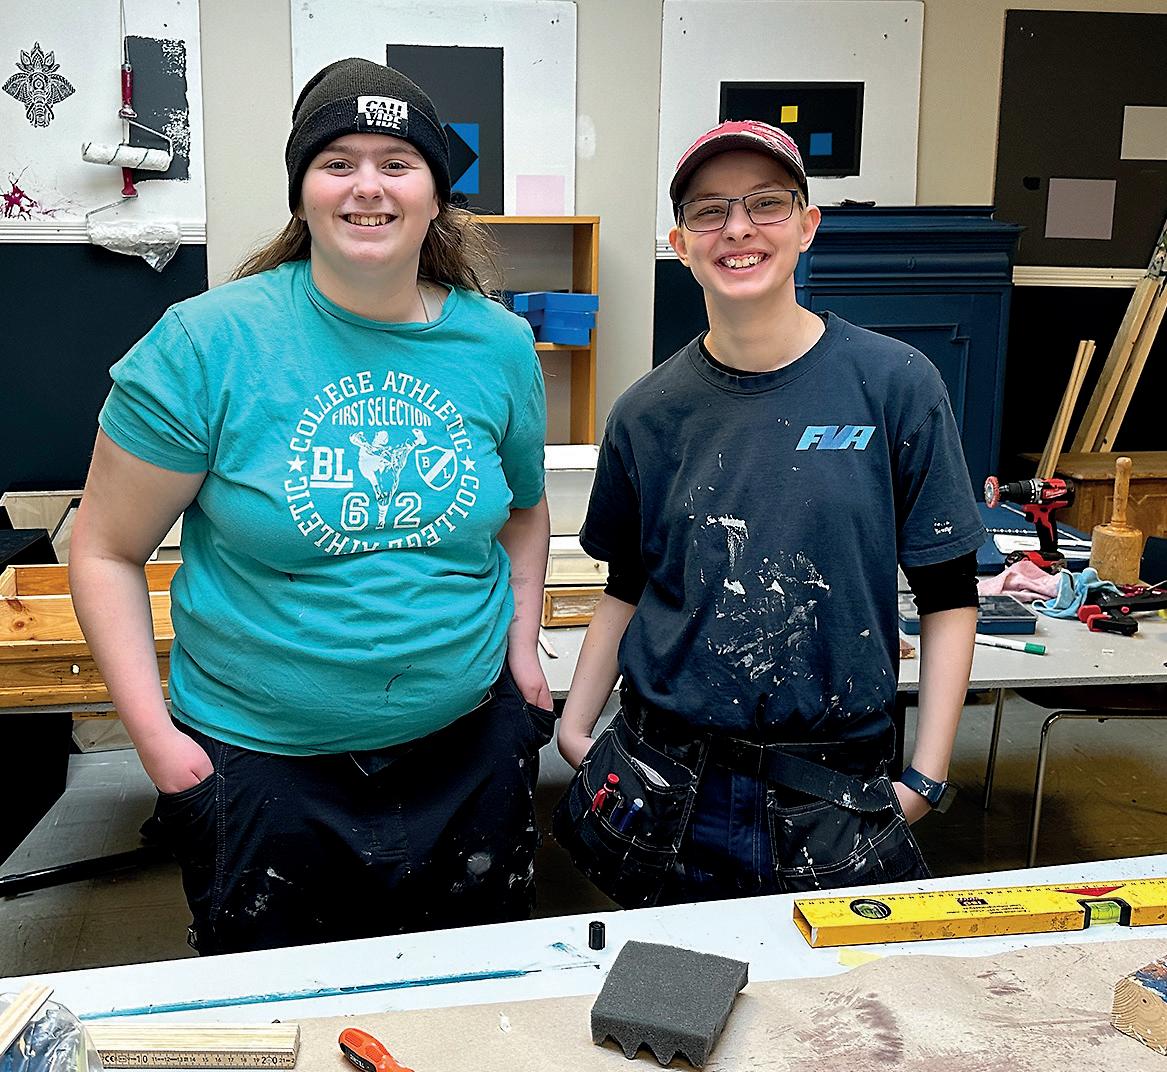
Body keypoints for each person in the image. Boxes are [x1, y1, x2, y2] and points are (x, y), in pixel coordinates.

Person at [69, 58, 554, 954]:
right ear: (301, 192)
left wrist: (522, 652)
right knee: (285, 1008)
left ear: (437, 196)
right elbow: (103, 550)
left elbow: (523, 510)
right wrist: (159, 746)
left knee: (471, 995)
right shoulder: (207, 344)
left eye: (397, 162)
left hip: (469, 752)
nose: (368, 185)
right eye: (337, 162)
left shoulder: (497, 344)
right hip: (262, 766)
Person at [553, 120, 984, 908]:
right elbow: (626, 583)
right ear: (681, 245)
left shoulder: (894, 384)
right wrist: (575, 729)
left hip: (831, 789)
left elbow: (948, 590)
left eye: (765, 203)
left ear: (806, 226)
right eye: (709, 210)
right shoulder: (646, 412)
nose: (738, 228)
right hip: (665, 779)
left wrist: (924, 777)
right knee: (668, 979)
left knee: (840, 987)